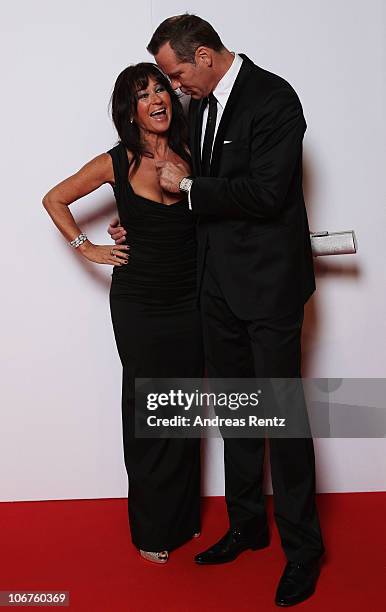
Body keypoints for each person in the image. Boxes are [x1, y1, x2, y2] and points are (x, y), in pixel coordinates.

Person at [109, 15, 325, 607]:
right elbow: (175, 189)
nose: (173, 89)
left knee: (280, 416)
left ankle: (303, 551)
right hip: (216, 292)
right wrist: (141, 222)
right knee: (237, 416)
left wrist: (190, 189)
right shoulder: (198, 109)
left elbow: (264, 192)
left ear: (203, 55)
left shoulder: (274, 97)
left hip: (270, 289)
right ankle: (247, 526)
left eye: (176, 74)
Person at [43, 62, 203, 564]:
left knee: (183, 406)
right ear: (129, 110)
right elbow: (54, 198)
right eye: (143, 93)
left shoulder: (193, 153)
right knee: (148, 410)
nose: (156, 98)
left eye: (161, 88)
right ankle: (152, 528)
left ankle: (182, 519)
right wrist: (86, 246)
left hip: (190, 300)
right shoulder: (115, 161)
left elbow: (214, 220)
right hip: (139, 304)